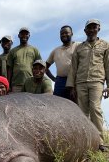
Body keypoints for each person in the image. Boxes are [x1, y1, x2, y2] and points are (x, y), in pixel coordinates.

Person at [66, 19, 109, 152]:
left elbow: (108, 66)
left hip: (97, 81)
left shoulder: (105, 45)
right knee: (82, 112)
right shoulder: (79, 48)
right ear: (85, 31)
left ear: (98, 29)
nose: (91, 30)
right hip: (80, 82)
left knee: (95, 109)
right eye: (89, 28)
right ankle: (86, 142)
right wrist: (72, 86)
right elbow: (73, 68)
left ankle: (99, 142)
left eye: (94, 27)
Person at [46, 25, 79, 100]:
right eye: (62, 34)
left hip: (75, 81)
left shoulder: (78, 46)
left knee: (75, 105)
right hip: (60, 82)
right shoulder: (56, 50)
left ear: (72, 33)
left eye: (66, 33)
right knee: (57, 104)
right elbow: (45, 67)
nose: (64, 35)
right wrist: (54, 79)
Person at [8, 27, 42, 93]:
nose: (24, 36)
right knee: (15, 103)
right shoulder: (13, 51)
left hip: (31, 84)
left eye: (26, 34)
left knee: (31, 103)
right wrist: (8, 84)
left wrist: (40, 82)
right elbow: (9, 69)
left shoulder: (34, 50)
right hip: (16, 85)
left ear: (29, 35)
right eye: (22, 34)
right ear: (18, 36)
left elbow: (40, 68)